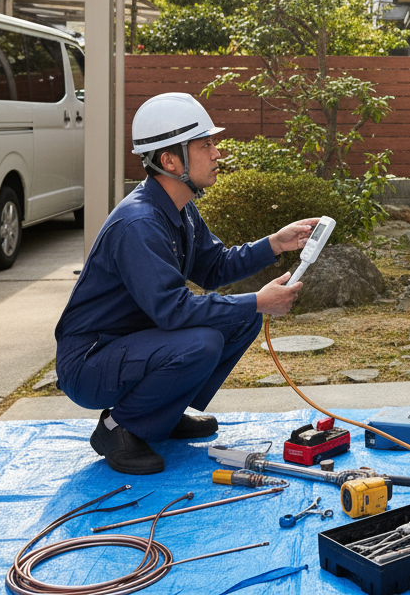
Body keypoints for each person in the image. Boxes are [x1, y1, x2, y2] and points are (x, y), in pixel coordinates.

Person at [55, 92, 318, 475]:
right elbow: (174, 309)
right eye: (206, 144)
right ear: (170, 160)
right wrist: (258, 300)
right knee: (205, 340)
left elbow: (214, 267)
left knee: (241, 318)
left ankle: (160, 413)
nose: (217, 153)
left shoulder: (180, 208)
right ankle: (119, 427)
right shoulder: (139, 224)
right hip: (91, 362)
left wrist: (274, 244)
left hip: (129, 346)